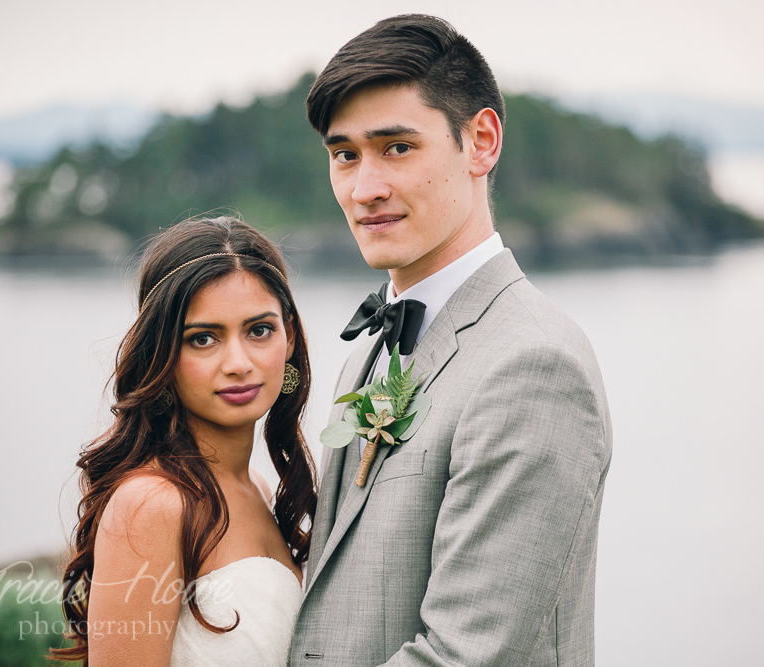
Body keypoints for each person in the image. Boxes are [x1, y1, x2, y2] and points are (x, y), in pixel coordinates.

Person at [291, 14, 612, 667]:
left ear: (482, 141)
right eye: (344, 154)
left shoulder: (533, 363)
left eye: (397, 147)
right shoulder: (367, 352)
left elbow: (465, 655)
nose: (364, 188)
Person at [52, 216, 317, 666]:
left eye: (259, 330)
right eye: (203, 339)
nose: (238, 363)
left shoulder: (259, 488)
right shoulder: (152, 504)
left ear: (288, 335)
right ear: (162, 352)